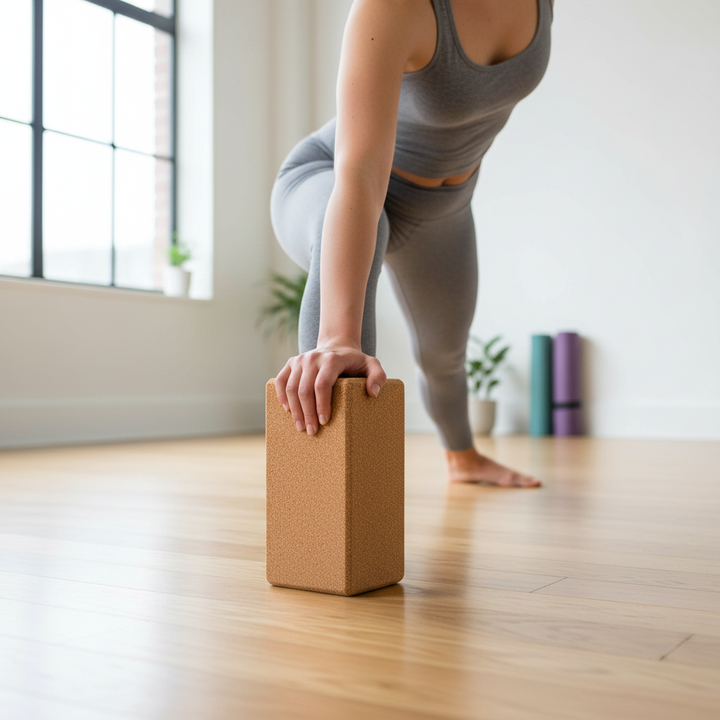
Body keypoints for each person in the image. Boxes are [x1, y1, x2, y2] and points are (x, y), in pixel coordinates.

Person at [270, 0, 554, 487]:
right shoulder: (394, 6)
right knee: (344, 340)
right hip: (333, 181)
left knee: (444, 353)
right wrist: (339, 337)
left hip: (443, 209)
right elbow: (358, 175)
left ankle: (463, 459)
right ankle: (323, 507)